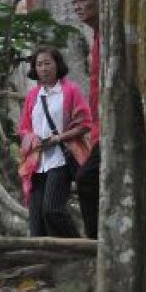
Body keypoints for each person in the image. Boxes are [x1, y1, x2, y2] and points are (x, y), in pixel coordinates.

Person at [18, 45, 93, 238]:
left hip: (60, 159)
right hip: (37, 162)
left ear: (57, 65)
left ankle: (79, 247)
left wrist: (59, 138)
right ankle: (48, 260)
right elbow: (24, 128)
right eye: (39, 64)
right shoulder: (33, 96)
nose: (43, 68)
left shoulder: (70, 91)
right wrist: (33, 140)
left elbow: (85, 123)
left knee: (52, 210)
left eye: (48, 63)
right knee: (36, 221)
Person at [71, 0, 101, 239]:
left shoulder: (111, 37)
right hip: (100, 129)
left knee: (86, 180)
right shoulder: (97, 38)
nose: (78, 7)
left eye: (83, 0)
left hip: (116, 128)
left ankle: (96, 244)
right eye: (75, 2)